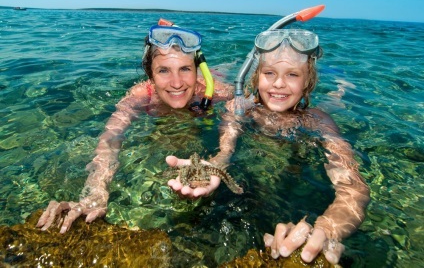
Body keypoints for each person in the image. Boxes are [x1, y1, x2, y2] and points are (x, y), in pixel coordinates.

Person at [167, 28, 370, 264]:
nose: (279, 84)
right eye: (270, 73)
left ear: (307, 83)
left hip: (299, 157)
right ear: (256, 77)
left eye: (292, 75)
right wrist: (213, 168)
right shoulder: (240, 109)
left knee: (336, 102)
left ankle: (343, 89)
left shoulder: (319, 122)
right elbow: (225, 151)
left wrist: (328, 229)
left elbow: (354, 188)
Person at [36, 22, 234, 234]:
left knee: (227, 67)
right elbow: (111, 135)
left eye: (185, 69)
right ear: (150, 74)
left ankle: (228, 64)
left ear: (196, 70)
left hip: (215, 76)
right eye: (164, 70)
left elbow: (235, 123)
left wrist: (220, 160)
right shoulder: (141, 95)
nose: (177, 83)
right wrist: (96, 189)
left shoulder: (218, 92)